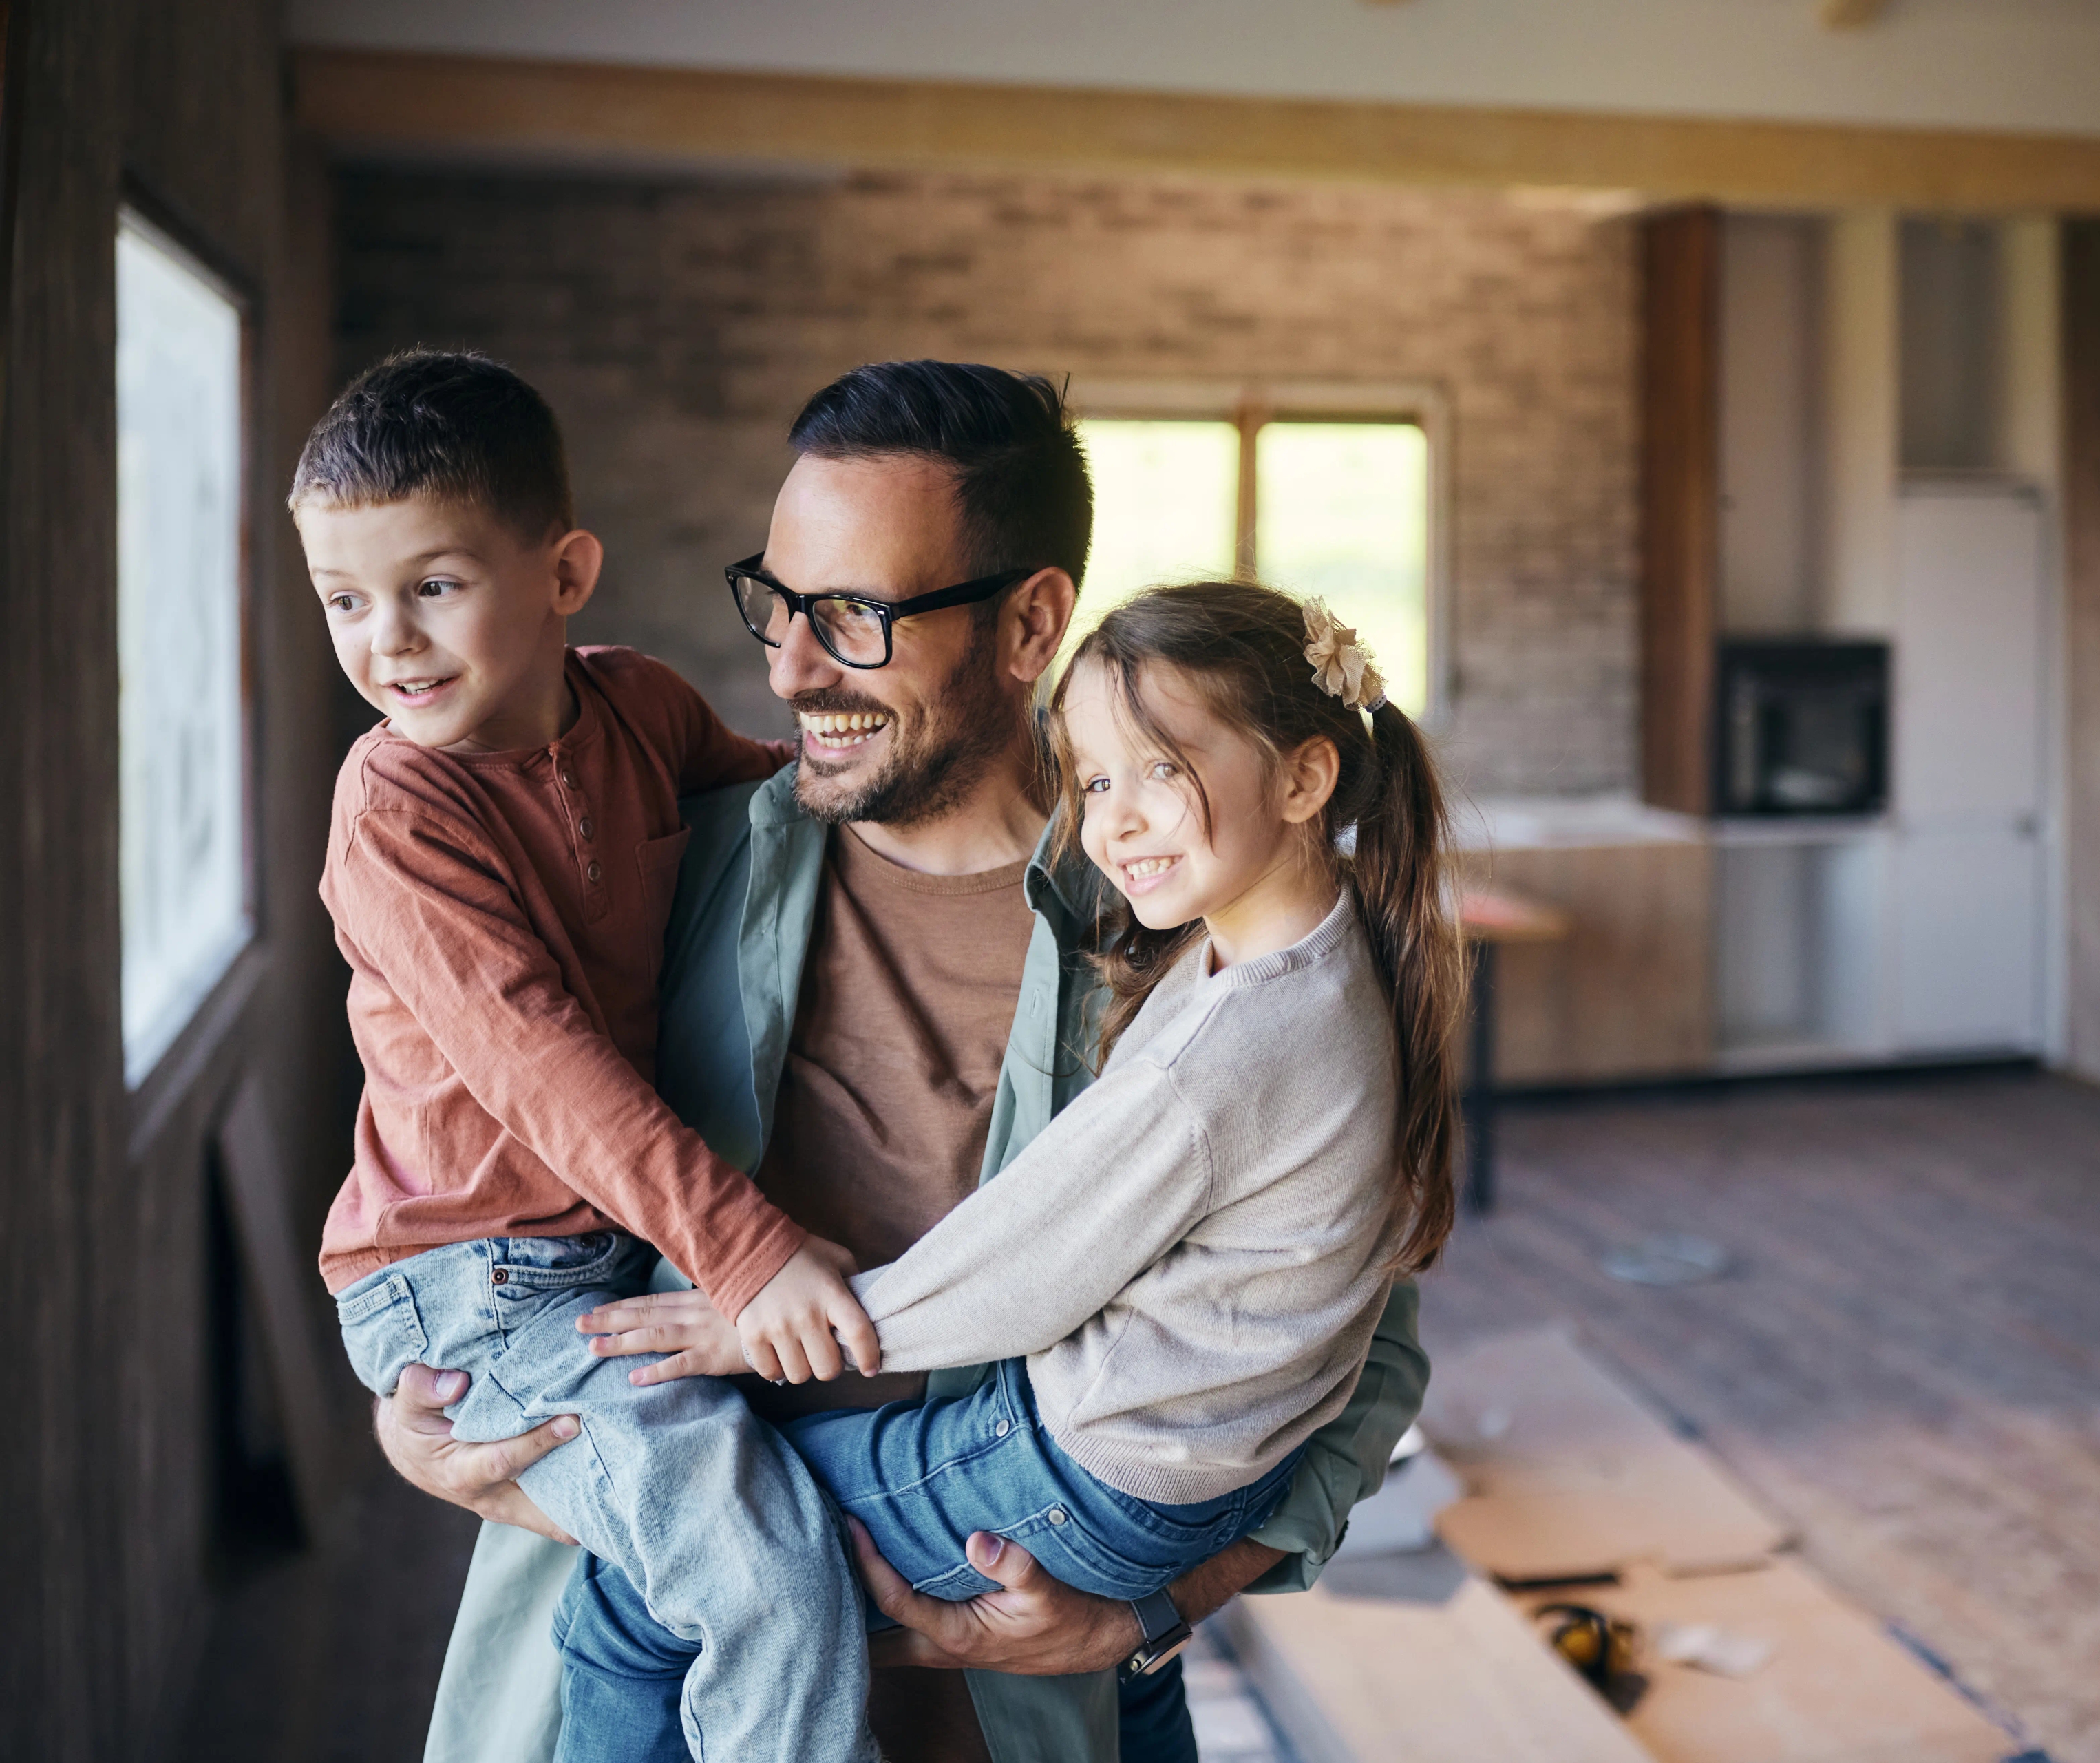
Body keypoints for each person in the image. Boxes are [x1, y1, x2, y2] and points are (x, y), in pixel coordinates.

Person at [376, 361, 1432, 1763]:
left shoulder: (1203, 932)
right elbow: (465, 1190)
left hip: (1034, 1708)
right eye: (782, 601)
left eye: (855, 617)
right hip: (661, 1683)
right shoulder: (671, 866)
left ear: (1031, 623)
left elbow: (1365, 1347)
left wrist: (1158, 1610)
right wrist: (421, 1425)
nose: (790, 665)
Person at [560, 578, 1465, 1757]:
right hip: (1204, 1472)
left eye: (1161, 767)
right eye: (1094, 779)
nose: (1116, 821)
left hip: (1086, 1466)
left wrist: (765, 1329)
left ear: (1303, 778)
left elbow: (1025, 1265)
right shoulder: (1330, 954)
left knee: (659, 1560)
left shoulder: (1225, 1050)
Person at [297, 350, 887, 1763]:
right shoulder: (393, 805)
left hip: (600, 1257)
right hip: (465, 1285)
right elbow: (539, 1065)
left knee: (787, 1509)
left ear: (564, 573)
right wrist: (747, 1249)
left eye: (433, 585)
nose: (389, 641)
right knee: (768, 1574)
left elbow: (784, 808)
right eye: (344, 601)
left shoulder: (639, 708)